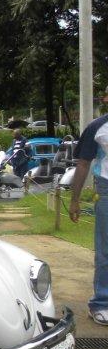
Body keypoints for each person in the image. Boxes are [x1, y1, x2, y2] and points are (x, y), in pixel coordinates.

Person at [69, 110, 108, 326]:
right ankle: (101, 303)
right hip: (106, 190)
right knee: (106, 249)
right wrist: (75, 200)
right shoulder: (97, 127)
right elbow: (83, 163)